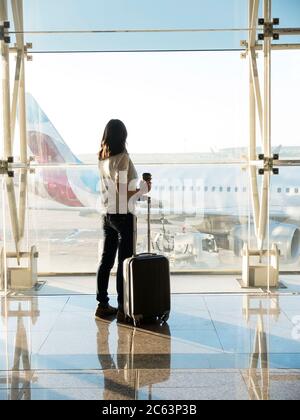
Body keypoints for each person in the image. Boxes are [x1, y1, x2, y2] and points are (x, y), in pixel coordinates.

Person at [95, 119, 151, 322]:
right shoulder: (122, 158)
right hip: (122, 215)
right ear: (123, 136)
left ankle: (102, 305)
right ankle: (122, 308)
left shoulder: (102, 158)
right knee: (124, 263)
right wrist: (143, 189)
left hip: (106, 213)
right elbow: (123, 192)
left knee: (106, 261)